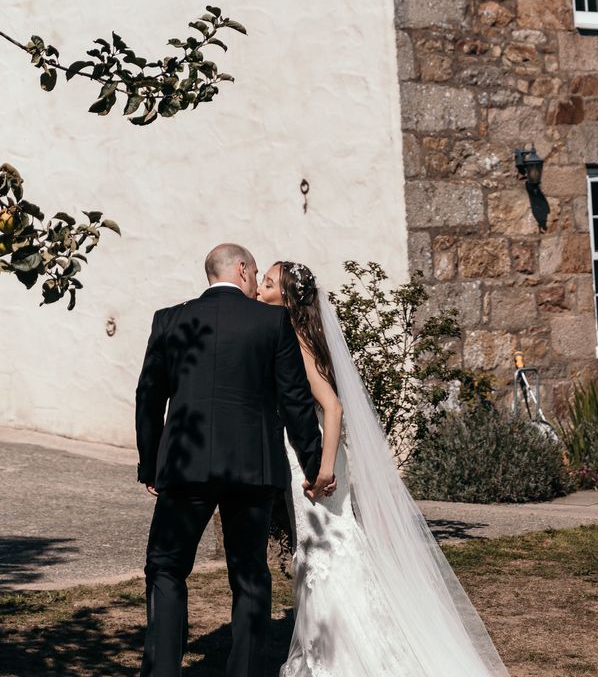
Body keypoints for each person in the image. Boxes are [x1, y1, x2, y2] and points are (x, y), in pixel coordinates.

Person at [257, 260, 510, 676]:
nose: (260, 290)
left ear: (286, 298)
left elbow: (333, 406)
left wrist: (322, 468)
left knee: (325, 548)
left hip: (318, 459)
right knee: (332, 543)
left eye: (267, 285)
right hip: (323, 452)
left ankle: (338, 657)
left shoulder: (298, 341)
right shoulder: (302, 334)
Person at [135, 244, 325, 677]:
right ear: (241, 269)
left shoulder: (170, 320)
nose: (258, 283)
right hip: (252, 468)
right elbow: (295, 401)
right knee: (249, 573)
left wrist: (151, 464)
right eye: (256, 273)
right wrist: (314, 466)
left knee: (166, 568)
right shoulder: (273, 322)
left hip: (186, 465)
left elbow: (148, 399)